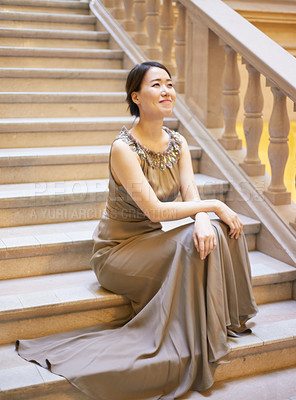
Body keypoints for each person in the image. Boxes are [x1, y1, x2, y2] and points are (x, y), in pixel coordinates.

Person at [17, 61, 258, 400]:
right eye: (156, 85)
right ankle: (199, 329)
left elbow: (190, 193)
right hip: (117, 253)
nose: (166, 91)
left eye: (170, 85)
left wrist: (204, 216)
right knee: (199, 235)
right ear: (136, 96)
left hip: (151, 242)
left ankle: (222, 319)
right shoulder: (123, 148)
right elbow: (156, 211)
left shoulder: (178, 142)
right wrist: (214, 206)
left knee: (217, 230)